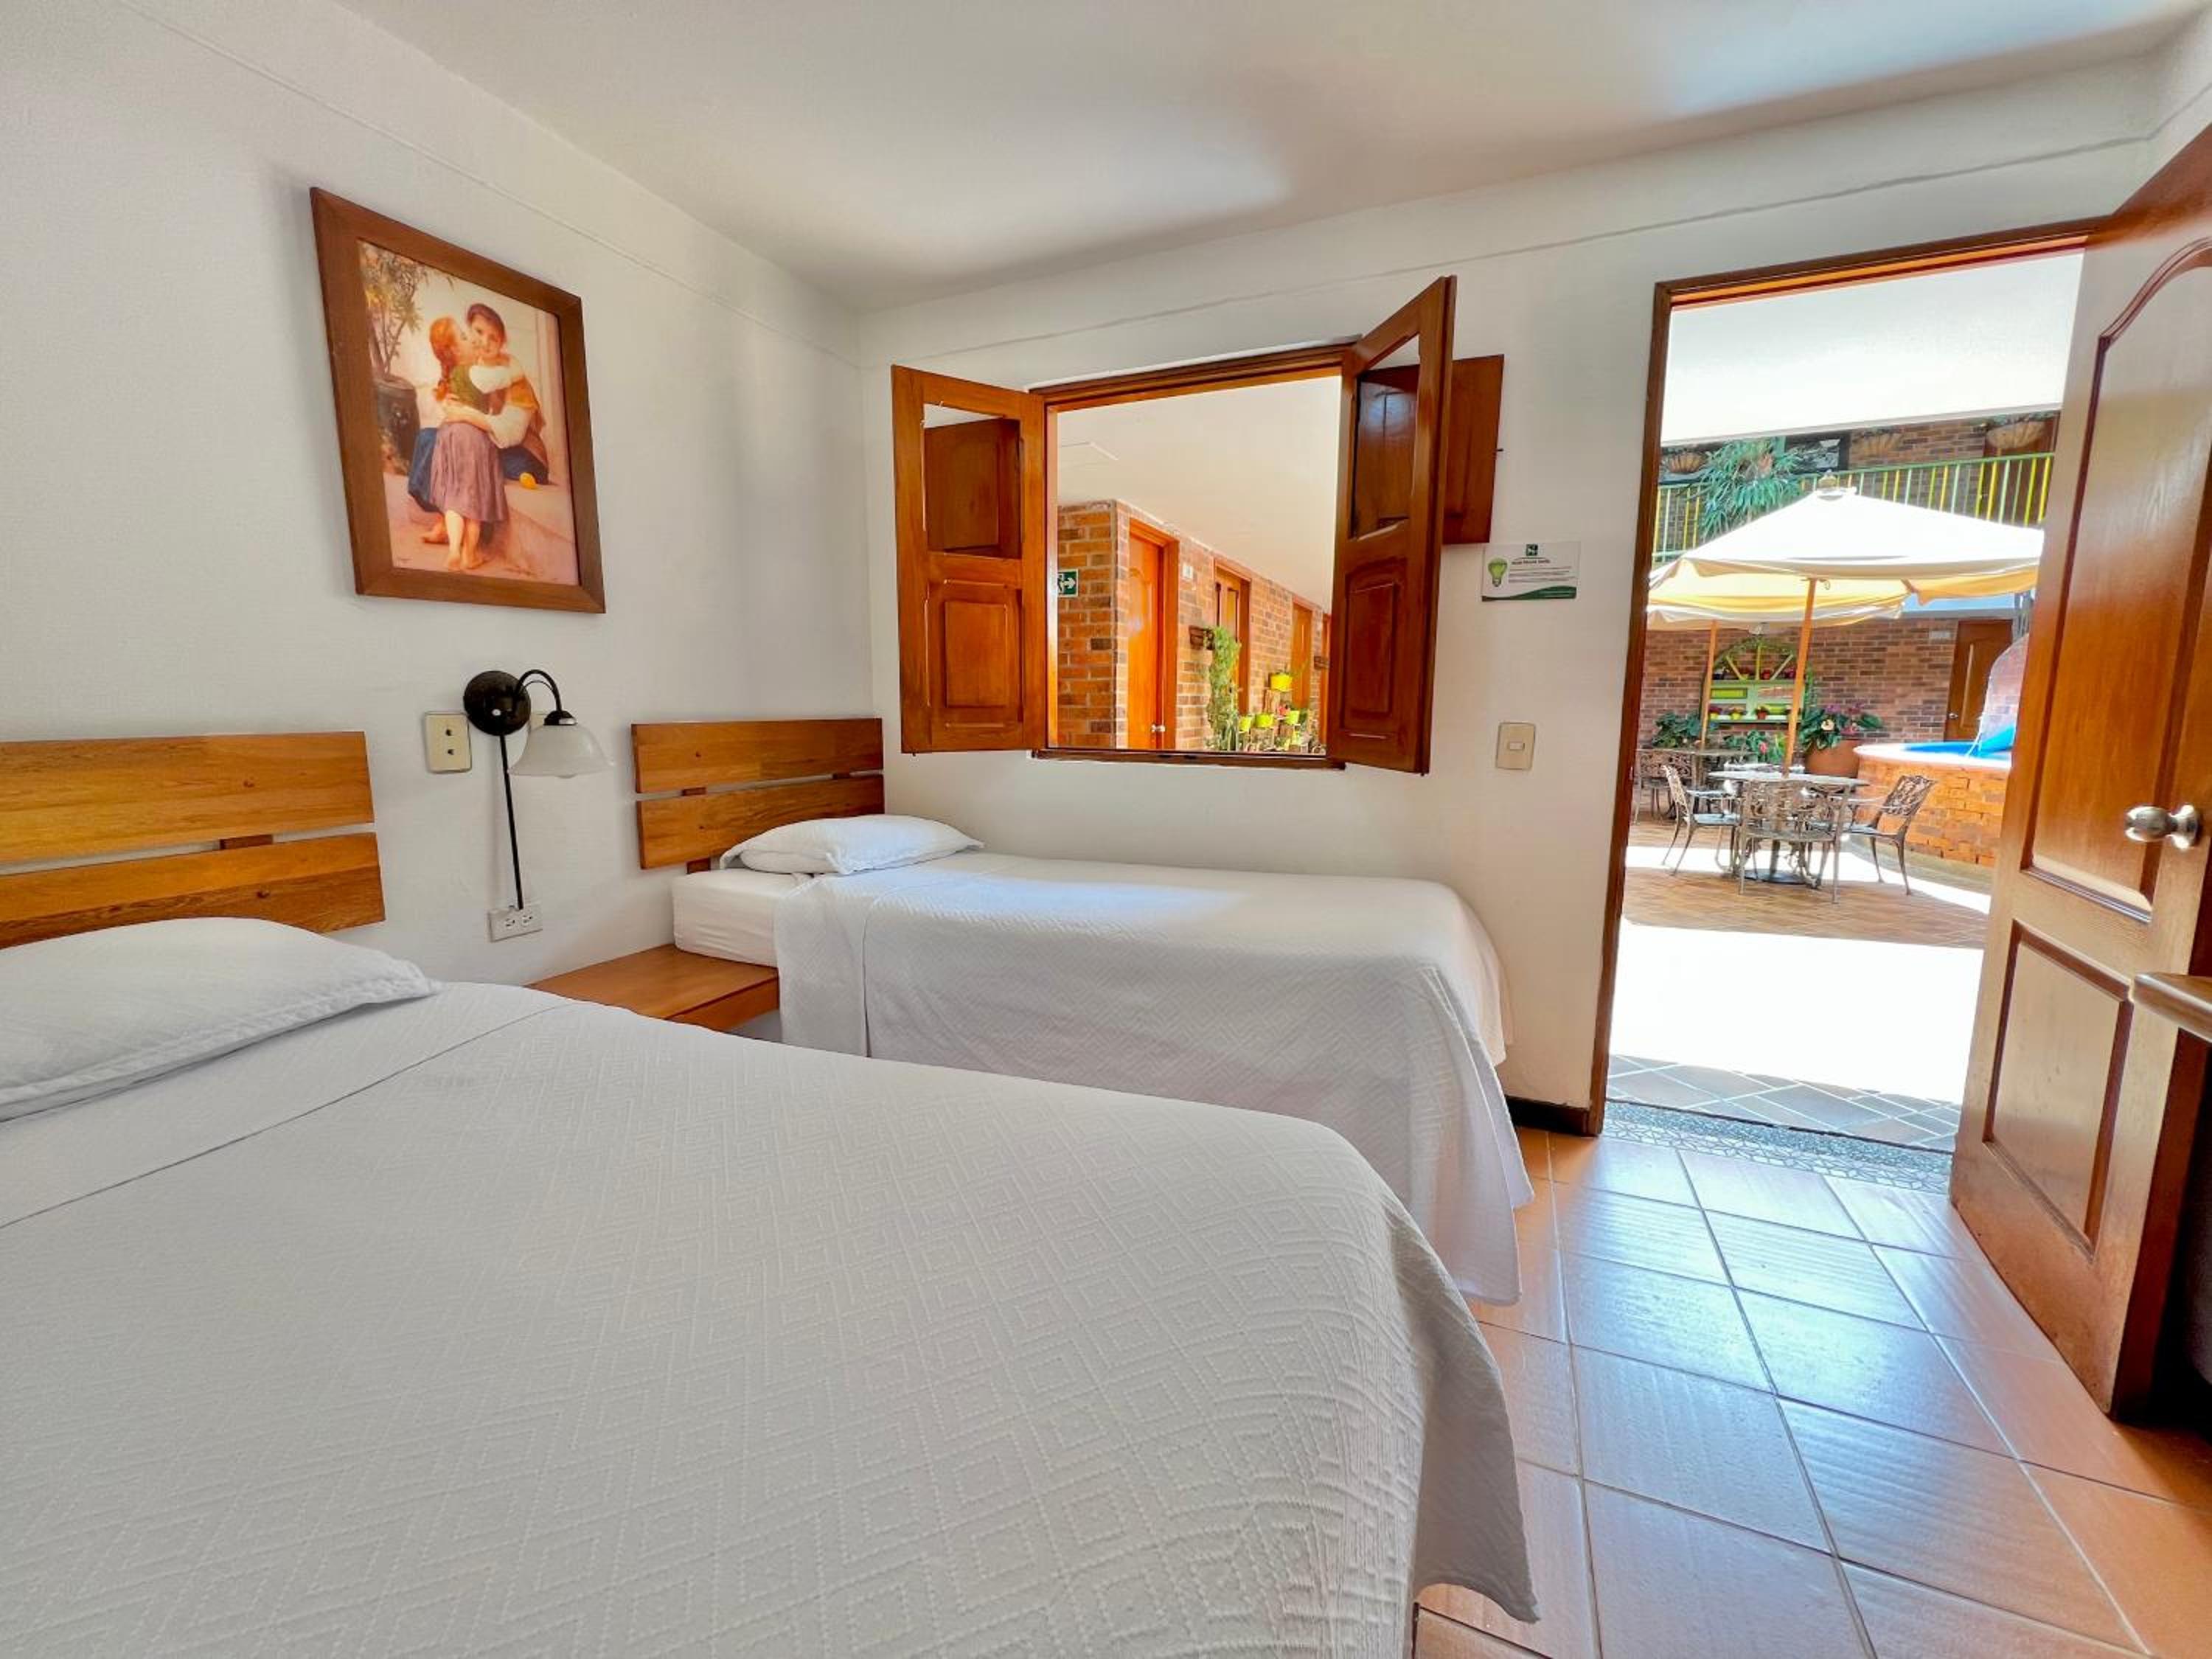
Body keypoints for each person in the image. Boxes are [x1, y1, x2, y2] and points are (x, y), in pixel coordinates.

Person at [404, 304, 551, 571]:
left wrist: (466, 415)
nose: (484, 341)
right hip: (484, 438)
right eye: (479, 332)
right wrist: (451, 406)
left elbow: (511, 432)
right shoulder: (472, 367)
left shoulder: (513, 376)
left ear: (503, 342)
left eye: (493, 337)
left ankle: (456, 527)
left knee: (464, 453)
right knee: (428, 438)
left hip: (521, 454)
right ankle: (444, 516)